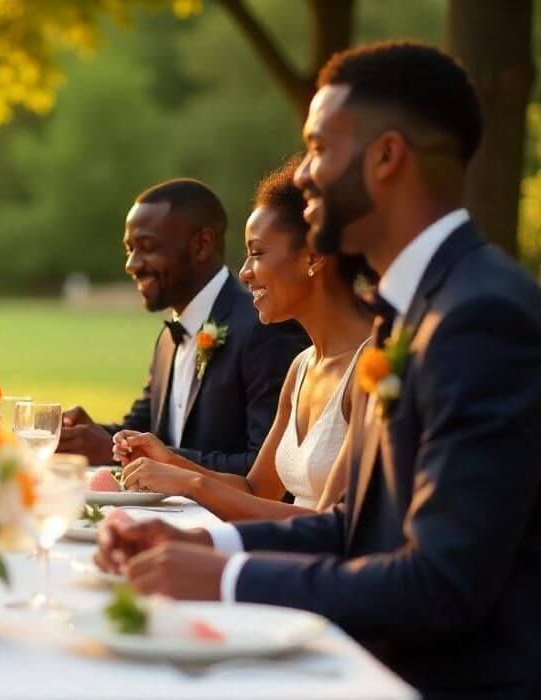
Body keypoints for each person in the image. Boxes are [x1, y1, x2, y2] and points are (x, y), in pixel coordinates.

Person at [98, 42, 541, 698]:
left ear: (388, 157)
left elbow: (440, 585)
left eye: (319, 149)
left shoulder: (480, 317)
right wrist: (205, 549)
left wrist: (223, 583)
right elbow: (356, 528)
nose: (302, 174)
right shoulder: (410, 312)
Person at [111, 156, 374, 521]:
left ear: (313, 256)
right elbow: (256, 490)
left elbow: (335, 529)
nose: (245, 273)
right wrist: (170, 462)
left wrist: (192, 484)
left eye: (257, 253)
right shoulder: (302, 367)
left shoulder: (374, 368)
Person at [59, 179, 308, 476]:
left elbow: (267, 471)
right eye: (129, 249)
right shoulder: (168, 338)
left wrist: (155, 460)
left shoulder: (264, 326)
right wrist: (91, 435)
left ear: (202, 245)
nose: (132, 264)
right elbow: (145, 431)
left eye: (147, 247)